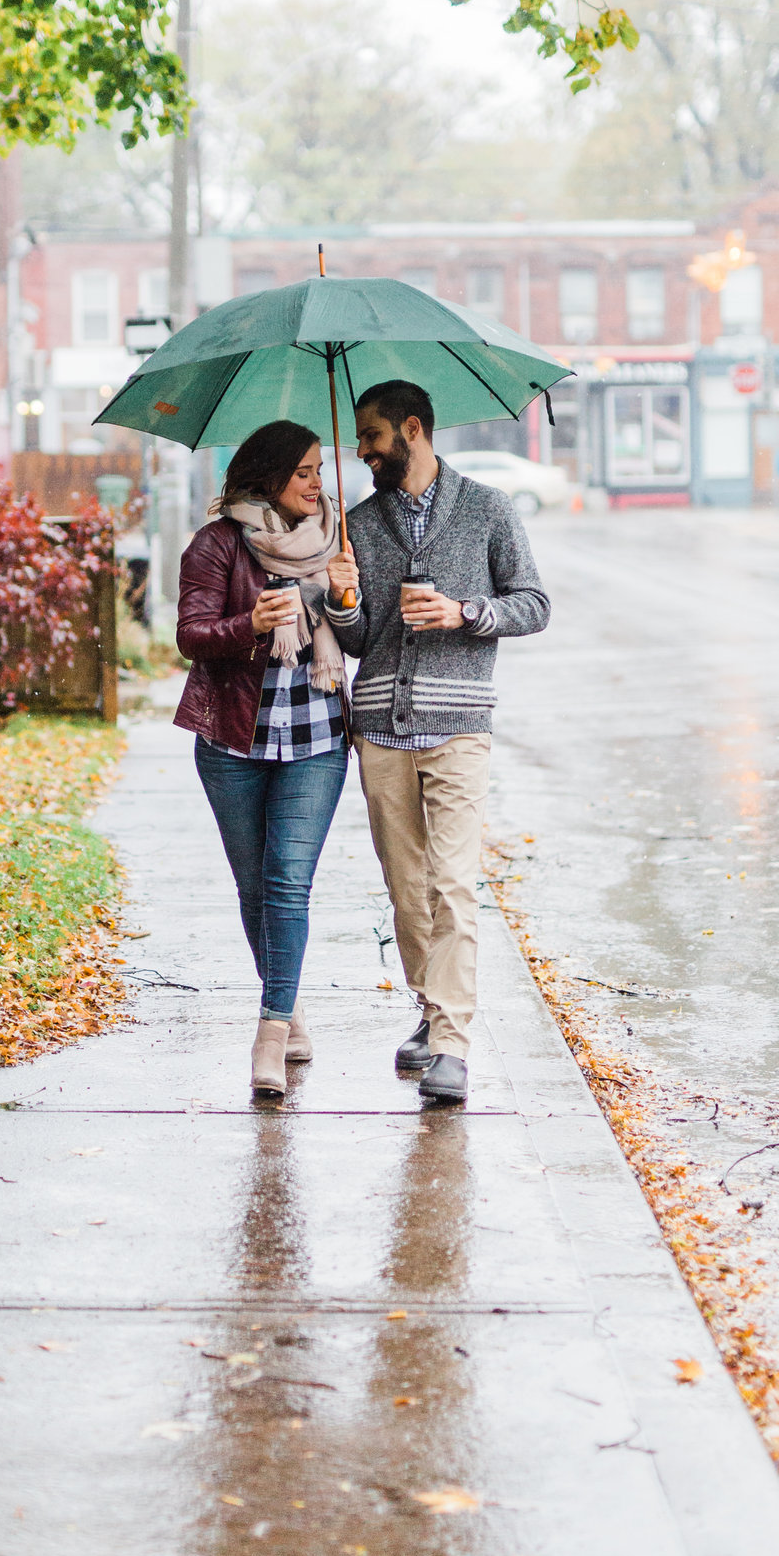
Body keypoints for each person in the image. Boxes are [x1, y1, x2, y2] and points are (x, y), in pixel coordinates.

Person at [322, 381, 550, 1105]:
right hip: (382, 729)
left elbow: (534, 604)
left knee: (453, 885)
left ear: (413, 429)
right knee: (407, 891)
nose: (361, 451)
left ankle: (451, 1044)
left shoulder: (487, 510)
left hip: (458, 727)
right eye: (360, 438)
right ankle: (430, 1011)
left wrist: (465, 612)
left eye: (373, 436)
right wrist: (344, 599)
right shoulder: (358, 525)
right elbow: (357, 642)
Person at [175, 422, 351, 1100]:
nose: (317, 483)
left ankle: (271, 1030)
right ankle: (290, 1001)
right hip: (233, 744)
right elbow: (192, 636)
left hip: (316, 740)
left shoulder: (336, 541)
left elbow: (358, 636)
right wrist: (247, 625)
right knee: (256, 890)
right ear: (269, 475)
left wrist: (345, 597)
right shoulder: (216, 545)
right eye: (304, 471)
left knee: (287, 884)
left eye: (318, 470)